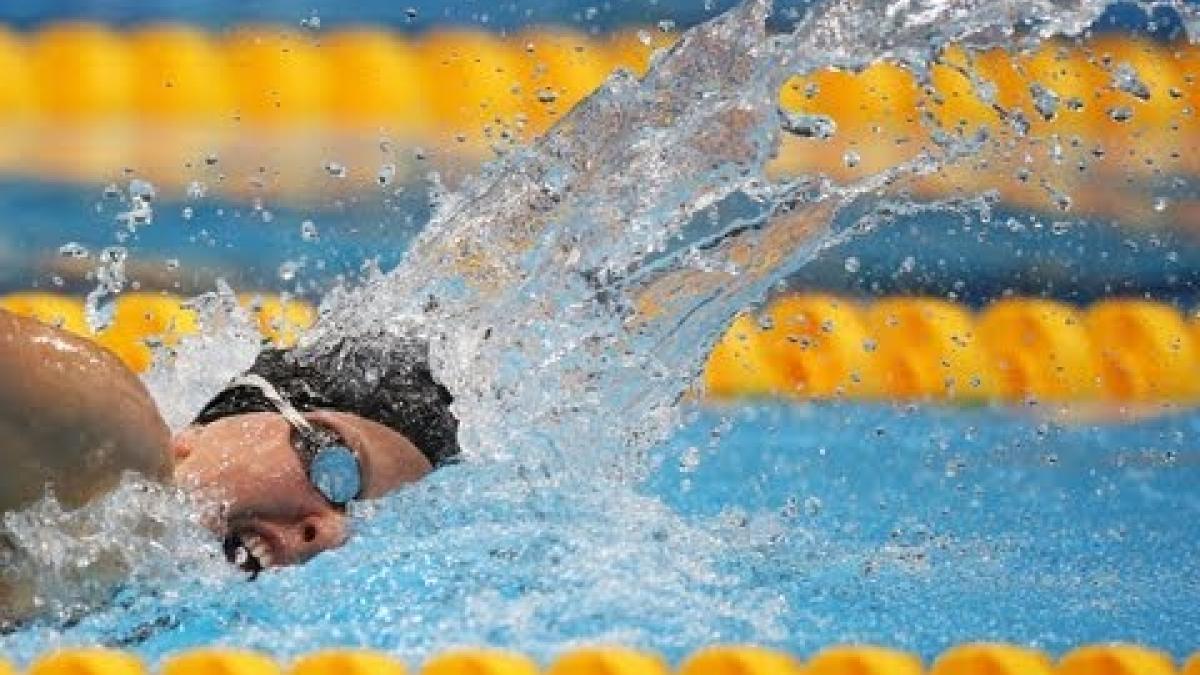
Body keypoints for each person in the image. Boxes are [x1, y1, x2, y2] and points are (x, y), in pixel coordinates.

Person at [0, 306, 460, 579]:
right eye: (336, 470)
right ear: (202, 434)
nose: (332, 532)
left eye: (364, 522)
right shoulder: (110, 436)